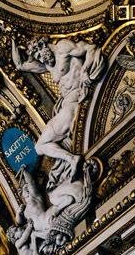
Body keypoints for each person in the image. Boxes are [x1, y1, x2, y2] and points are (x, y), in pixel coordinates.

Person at [12, 37, 105, 179]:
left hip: (75, 100)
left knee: (42, 144)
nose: (39, 59)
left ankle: (72, 159)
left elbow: (91, 48)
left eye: (38, 54)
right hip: (67, 105)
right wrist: (12, 38)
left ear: (43, 45)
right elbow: (20, 65)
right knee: (39, 147)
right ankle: (71, 159)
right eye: (36, 57)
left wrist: (85, 70)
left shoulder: (63, 47)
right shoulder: (48, 65)